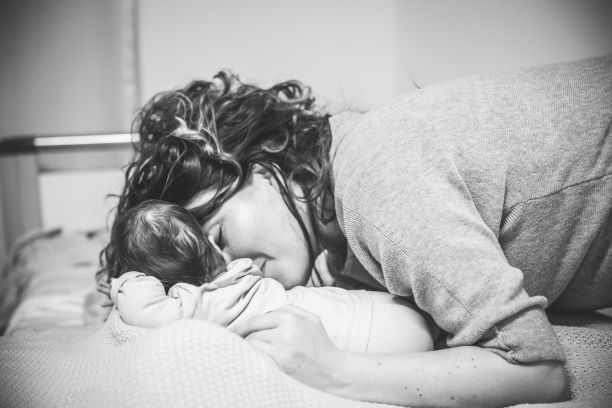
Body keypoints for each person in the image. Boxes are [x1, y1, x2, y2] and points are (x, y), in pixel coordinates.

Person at [98, 54, 612, 407]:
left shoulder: (374, 181)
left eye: (219, 238)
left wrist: (336, 372)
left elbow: (536, 368)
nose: (229, 270)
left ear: (259, 163)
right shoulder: (335, 245)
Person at [108, 199, 435, 354]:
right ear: (212, 247)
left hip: (369, 342)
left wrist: (127, 282)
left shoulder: (195, 306)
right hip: (381, 309)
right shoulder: (243, 272)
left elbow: (145, 309)